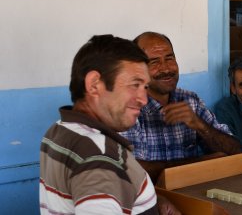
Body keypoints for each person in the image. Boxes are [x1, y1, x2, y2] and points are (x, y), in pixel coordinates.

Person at [39, 35, 180, 214]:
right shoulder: (100, 156)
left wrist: (149, 199)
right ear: (94, 84)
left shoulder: (60, 129)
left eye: (145, 87)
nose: (143, 100)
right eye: (134, 85)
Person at [120, 31, 241, 181]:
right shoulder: (129, 107)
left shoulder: (190, 100)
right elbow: (130, 171)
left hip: (194, 195)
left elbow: (234, 151)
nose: (166, 69)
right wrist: (198, 164)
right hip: (152, 199)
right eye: (154, 62)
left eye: (169, 58)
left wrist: (199, 124)